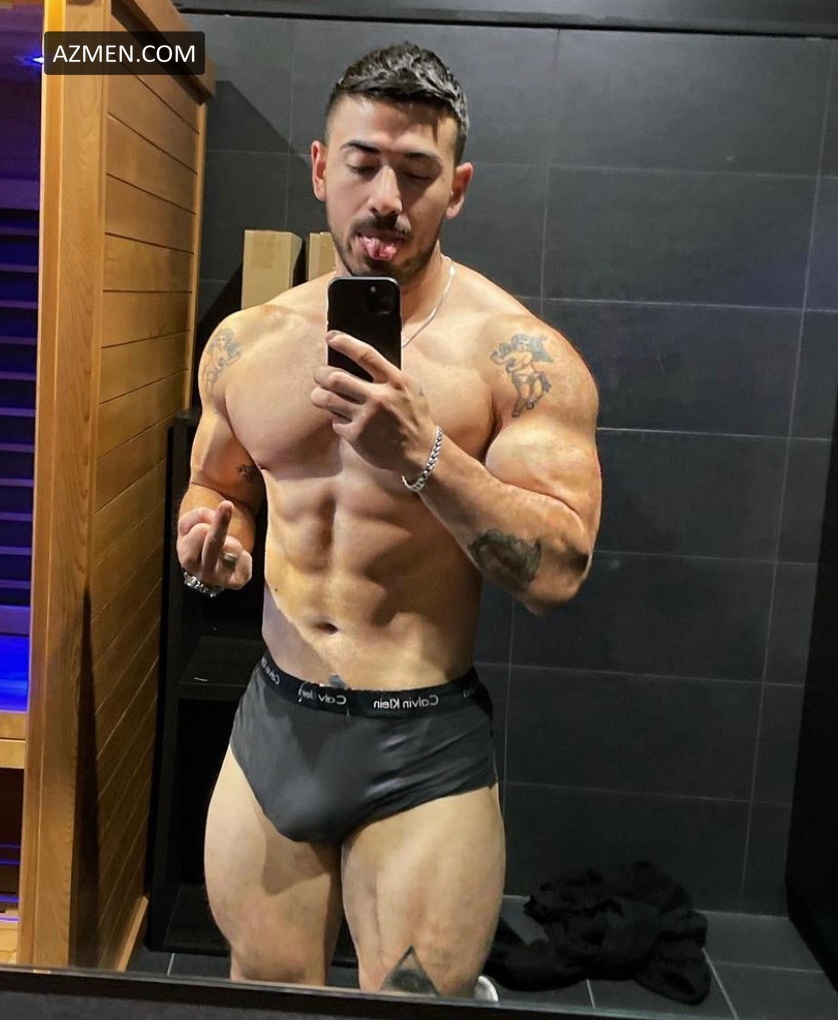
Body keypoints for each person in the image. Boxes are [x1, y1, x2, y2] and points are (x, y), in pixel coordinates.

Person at [176, 42, 601, 1000]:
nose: (385, 198)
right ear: (320, 168)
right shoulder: (245, 344)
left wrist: (425, 456)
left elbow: (558, 571)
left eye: (416, 173)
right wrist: (212, 543)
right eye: (362, 164)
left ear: (458, 188)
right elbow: (216, 489)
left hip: (421, 744)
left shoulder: (517, 357)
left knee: (417, 1003)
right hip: (278, 724)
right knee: (266, 991)